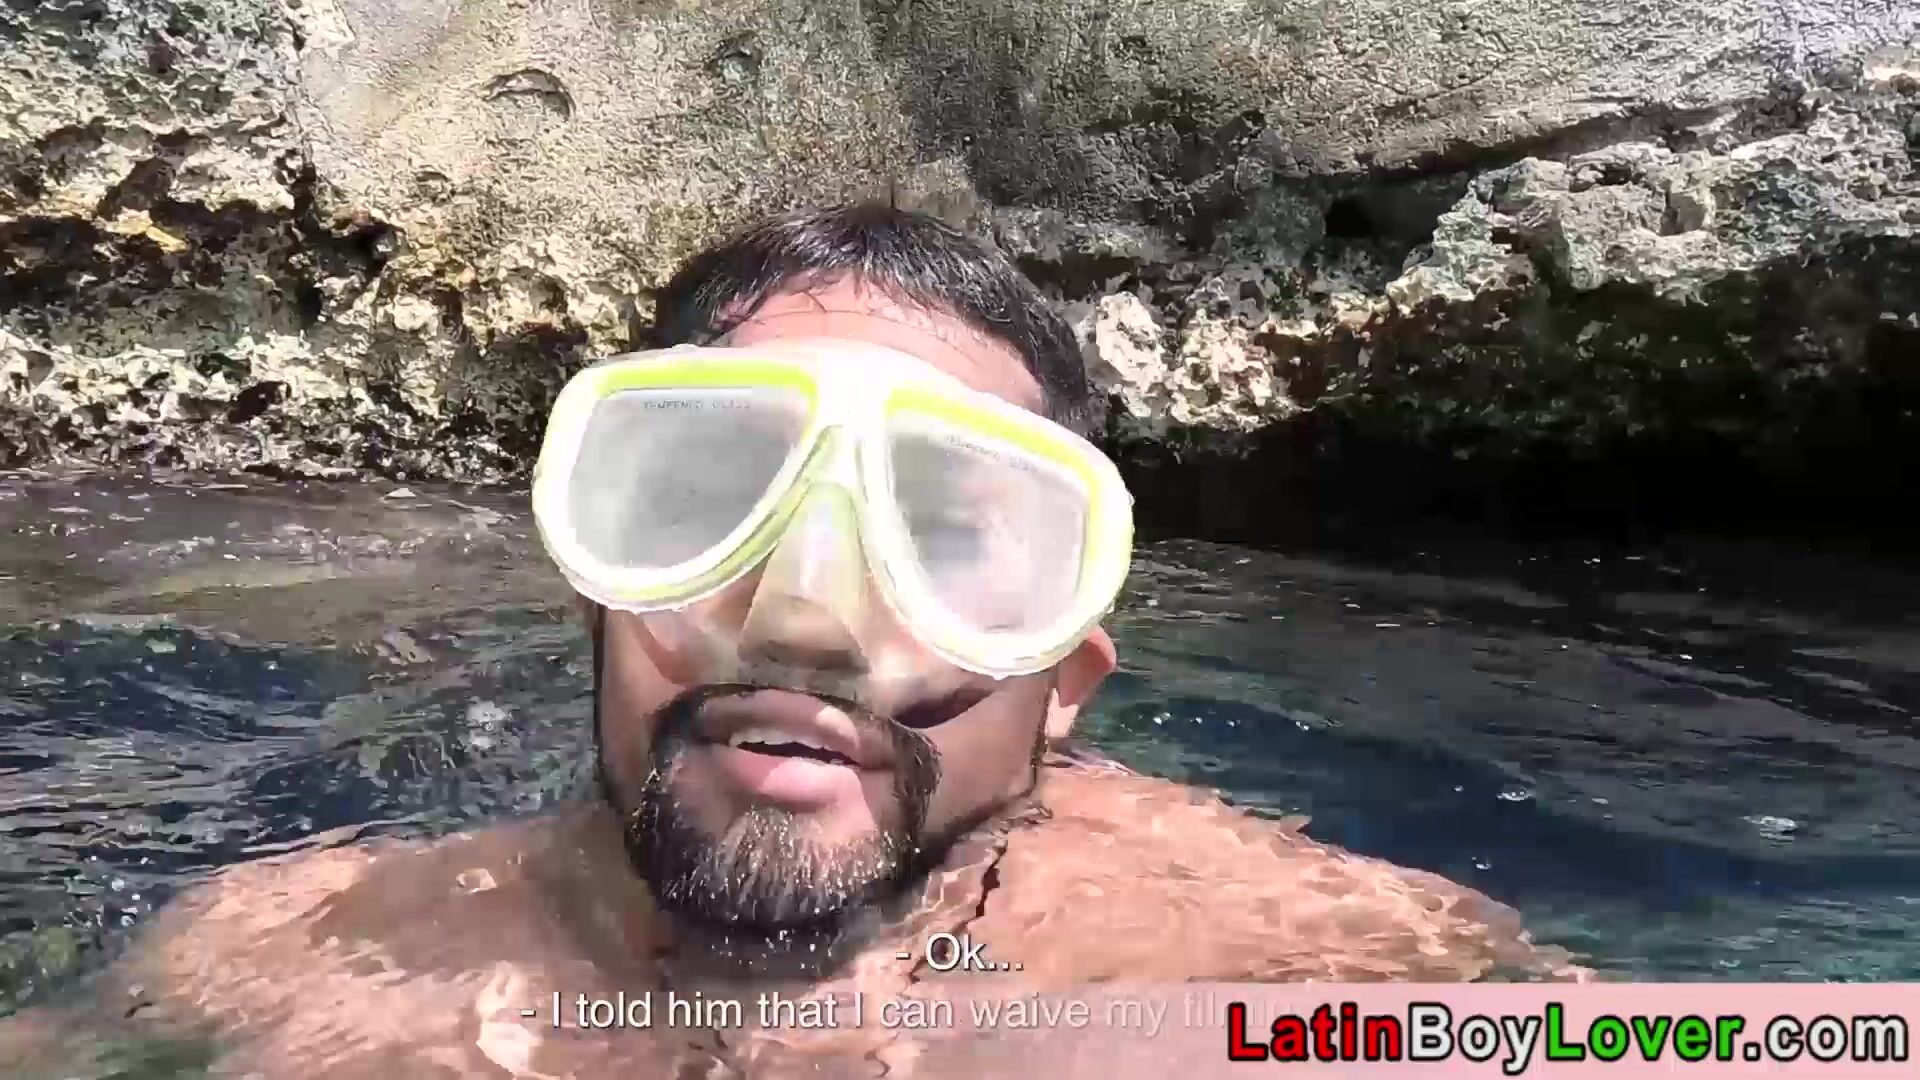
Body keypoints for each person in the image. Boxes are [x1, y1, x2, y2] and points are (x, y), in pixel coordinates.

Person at [2, 204, 1584, 1080]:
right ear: (600, 590)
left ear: (1063, 685)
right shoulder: (273, 962)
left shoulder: (1326, 968)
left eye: (944, 534)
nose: (806, 615)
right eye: (716, 498)